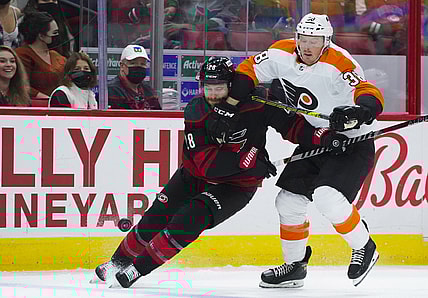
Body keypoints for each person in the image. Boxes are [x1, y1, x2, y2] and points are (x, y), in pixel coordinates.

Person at [92, 56, 345, 288]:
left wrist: (323, 137)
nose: (212, 94)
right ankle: (117, 262)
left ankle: (138, 269)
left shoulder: (256, 102)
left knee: (190, 219)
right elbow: (206, 164)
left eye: (219, 88)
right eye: (208, 88)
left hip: (236, 187)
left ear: (232, 85)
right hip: (194, 175)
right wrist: (248, 160)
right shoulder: (196, 110)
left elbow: (291, 126)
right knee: (155, 217)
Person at [210, 13, 384, 288]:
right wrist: (230, 104)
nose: (307, 45)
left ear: (326, 42)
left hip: (352, 141)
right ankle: (295, 266)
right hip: (318, 138)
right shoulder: (281, 53)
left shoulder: (340, 63)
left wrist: (357, 112)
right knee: (288, 202)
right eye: (303, 38)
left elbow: (368, 92)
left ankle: (364, 246)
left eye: (314, 40)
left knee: (327, 197)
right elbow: (248, 70)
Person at [16, 11, 66, 99]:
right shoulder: (22, 55)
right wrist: (48, 99)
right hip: (35, 107)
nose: (58, 36)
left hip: (59, 105)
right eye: (54, 33)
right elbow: (21, 86)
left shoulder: (55, 55)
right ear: (41, 36)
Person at [108, 44, 161, 110]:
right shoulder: (112, 90)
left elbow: (158, 116)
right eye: (133, 63)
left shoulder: (148, 90)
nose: (138, 67)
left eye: (142, 64)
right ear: (122, 66)